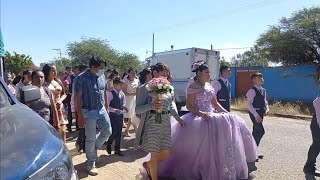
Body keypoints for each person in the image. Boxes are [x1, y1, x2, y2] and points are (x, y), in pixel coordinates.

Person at [140, 62, 257, 180]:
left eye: (209, 72)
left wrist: (226, 113)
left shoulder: (209, 86)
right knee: (192, 151)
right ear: (199, 73)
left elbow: (215, 104)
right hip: (197, 119)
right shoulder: (193, 87)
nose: (209, 74)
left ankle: (213, 168)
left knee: (217, 143)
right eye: (206, 72)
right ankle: (156, 166)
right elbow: (189, 106)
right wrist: (200, 114)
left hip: (211, 116)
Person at [135, 63, 184, 180]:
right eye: (163, 75)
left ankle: (148, 165)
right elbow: (137, 110)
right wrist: (151, 105)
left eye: (167, 76)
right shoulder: (144, 88)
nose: (165, 78)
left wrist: (177, 118)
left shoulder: (169, 87)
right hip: (153, 123)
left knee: (166, 153)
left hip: (166, 123)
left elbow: (171, 104)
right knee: (154, 154)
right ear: (155, 73)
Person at [74, 56, 112, 176]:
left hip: (101, 109)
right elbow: (77, 98)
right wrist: (79, 116)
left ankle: (93, 149)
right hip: (88, 111)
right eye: (100, 68)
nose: (102, 70)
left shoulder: (102, 76)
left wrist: (106, 107)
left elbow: (104, 91)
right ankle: (90, 162)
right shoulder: (81, 78)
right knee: (90, 138)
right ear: (93, 67)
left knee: (108, 131)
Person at [43, 64, 69, 143]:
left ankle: (64, 148)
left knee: (63, 131)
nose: (55, 72)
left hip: (60, 108)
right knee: (54, 133)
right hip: (51, 109)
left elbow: (64, 94)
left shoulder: (58, 81)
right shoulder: (44, 83)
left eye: (55, 70)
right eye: (53, 70)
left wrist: (60, 100)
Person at [246, 72, 269, 159]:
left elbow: (265, 101)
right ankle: (252, 151)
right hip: (254, 113)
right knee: (261, 131)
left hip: (260, 113)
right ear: (253, 80)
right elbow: (249, 105)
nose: (261, 79)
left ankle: (251, 152)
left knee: (256, 132)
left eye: (262, 77)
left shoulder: (263, 90)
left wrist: (267, 108)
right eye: (259, 77)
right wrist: (256, 115)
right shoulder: (252, 91)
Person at [105, 78, 128, 156]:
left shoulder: (122, 94)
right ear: (115, 85)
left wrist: (125, 107)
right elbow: (107, 106)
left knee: (119, 132)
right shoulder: (110, 94)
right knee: (114, 132)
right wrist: (114, 110)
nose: (122, 86)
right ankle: (109, 143)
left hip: (120, 115)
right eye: (120, 85)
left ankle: (117, 149)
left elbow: (124, 102)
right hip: (113, 115)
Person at [72, 64, 88, 152]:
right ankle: (79, 143)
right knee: (82, 128)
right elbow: (74, 97)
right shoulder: (77, 80)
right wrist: (74, 110)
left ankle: (84, 145)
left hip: (88, 108)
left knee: (86, 128)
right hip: (80, 108)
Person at [303, 95, 320, 177]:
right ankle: (309, 167)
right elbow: (319, 116)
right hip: (317, 125)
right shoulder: (318, 100)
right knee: (317, 145)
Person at [123, 67, 140, 136]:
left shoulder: (137, 80)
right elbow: (123, 91)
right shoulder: (125, 80)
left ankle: (128, 130)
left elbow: (138, 90)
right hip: (128, 99)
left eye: (134, 73)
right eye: (131, 73)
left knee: (133, 115)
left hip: (135, 99)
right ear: (128, 73)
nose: (133, 74)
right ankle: (128, 129)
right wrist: (131, 94)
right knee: (129, 115)